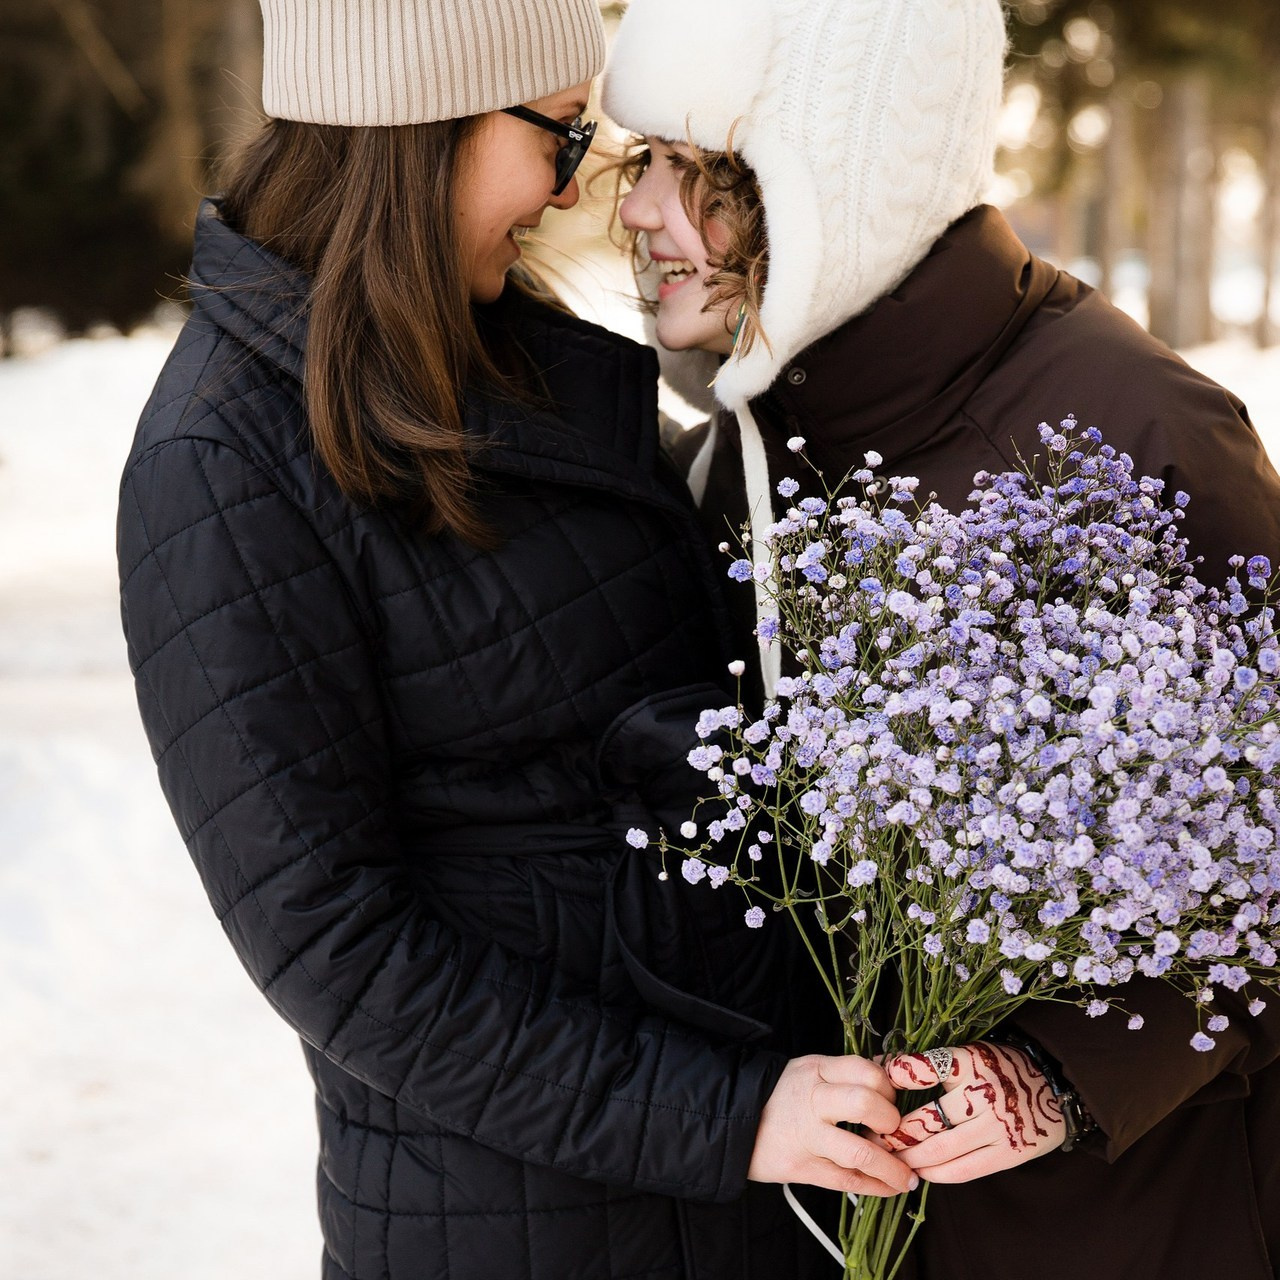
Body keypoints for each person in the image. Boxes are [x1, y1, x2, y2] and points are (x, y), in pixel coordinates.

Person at [115, 2, 921, 1278]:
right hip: (524, 1213)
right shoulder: (223, 460)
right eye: (556, 134)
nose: (563, 189)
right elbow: (334, 945)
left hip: (743, 1174)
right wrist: (721, 1116)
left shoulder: (494, 350)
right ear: (422, 123)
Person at [604, 0, 1280, 1277]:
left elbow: (1260, 856)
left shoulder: (1138, 430)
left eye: (692, 168)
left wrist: (1060, 1074)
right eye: (641, 160)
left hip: (1124, 1226)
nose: (638, 208)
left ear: (831, 177)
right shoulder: (734, 460)